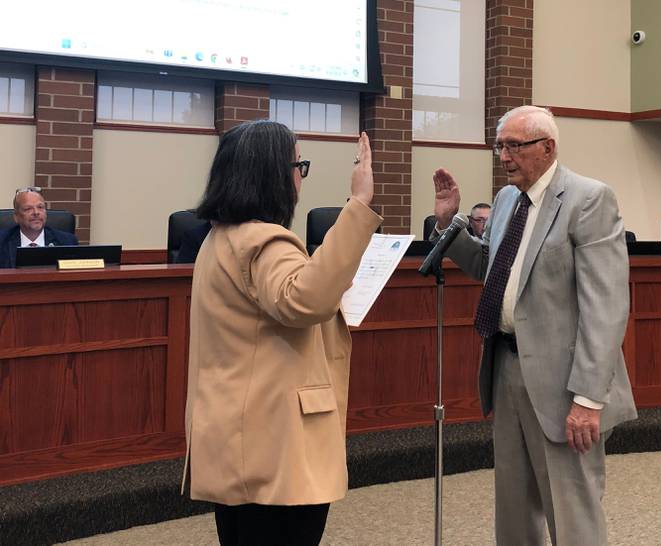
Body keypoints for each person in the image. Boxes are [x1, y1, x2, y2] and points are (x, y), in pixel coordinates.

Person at [431, 105, 637, 545]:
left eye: (514, 146)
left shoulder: (589, 198)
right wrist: (451, 223)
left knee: (571, 508)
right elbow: (493, 268)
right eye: (500, 146)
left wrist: (588, 398)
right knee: (513, 504)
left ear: (547, 147)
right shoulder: (506, 199)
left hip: (565, 383)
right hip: (506, 365)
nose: (505, 156)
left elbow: (607, 305)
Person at [182, 120, 382, 546]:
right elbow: (304, 302)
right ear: (274, 174)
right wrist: (359, 203)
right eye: (299, 165)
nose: (299, 176)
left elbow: (282, 300)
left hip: (241, 438)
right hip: (273, 449)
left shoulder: (221, 237)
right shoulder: (265, 241)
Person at [0, 187, 78, 268]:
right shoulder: (2, 242)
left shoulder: (67, 242)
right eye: (28, 209)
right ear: (16, 217)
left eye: (40, 207)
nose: (36, 212)